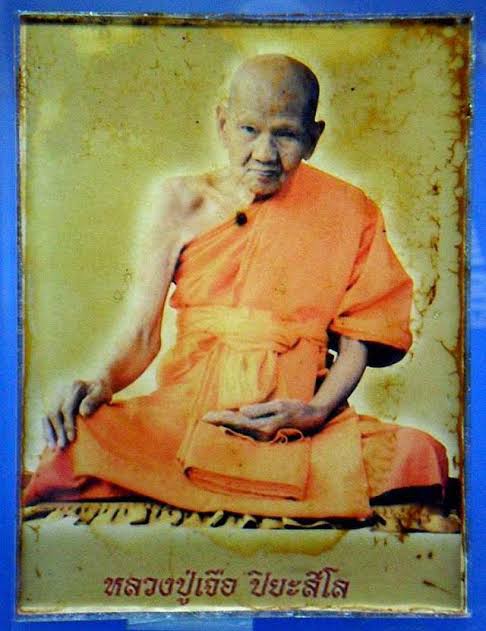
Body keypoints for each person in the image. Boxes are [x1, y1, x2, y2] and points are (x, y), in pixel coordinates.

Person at [23, 54, 448, 518]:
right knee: (73, 444)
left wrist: (316, 412)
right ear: (223, 124)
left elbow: (358, 339)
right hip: (188, 417)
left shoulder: (350, 209)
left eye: (285, 134)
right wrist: (101, 381)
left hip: (294, 423)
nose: (265, 153)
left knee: (421, 455)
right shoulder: (181, 201)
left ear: (313, 138)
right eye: (249, 129)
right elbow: (143, 333)